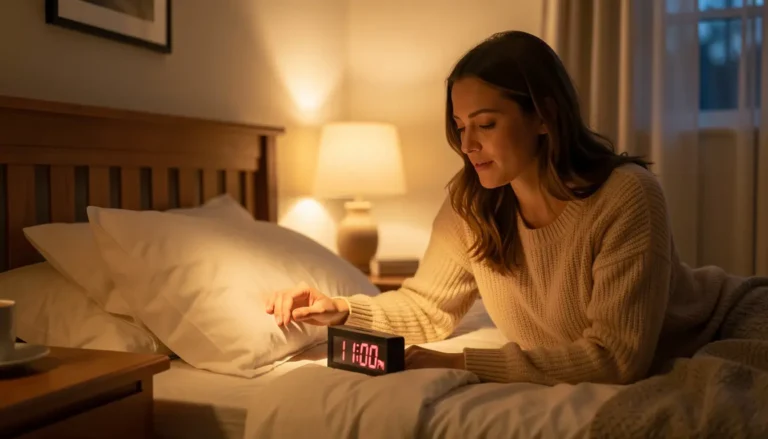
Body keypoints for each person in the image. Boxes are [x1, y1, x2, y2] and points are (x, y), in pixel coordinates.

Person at [266, 30, 768, 385]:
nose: (468, 144)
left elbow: (615, 359)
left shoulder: (626, 195)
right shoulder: (470, 205)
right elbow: (427, 309)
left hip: (727, 324)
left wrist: (460, 365)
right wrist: (342, 310)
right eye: (461, 126)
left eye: (486, 123)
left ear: (544, 117)